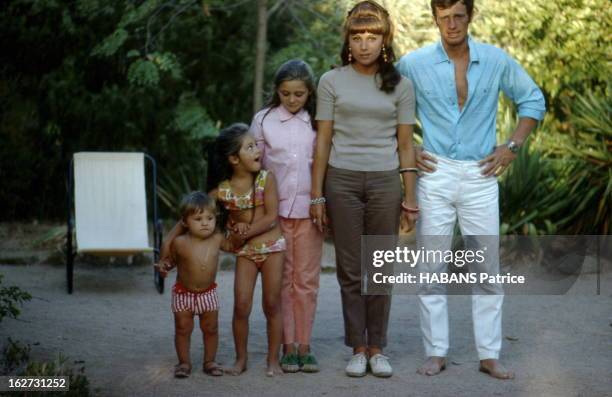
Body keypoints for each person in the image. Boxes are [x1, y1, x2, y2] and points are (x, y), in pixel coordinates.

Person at [397, 0, 546, 380]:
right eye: (444, 17)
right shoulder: (413, 64)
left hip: (481, 172)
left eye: (458, 16)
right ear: (435, 18)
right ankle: (435, 351)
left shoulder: (495, 61)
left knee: (487, 267)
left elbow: (533, 100)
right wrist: (407, 148)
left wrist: (511, 148)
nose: (451, 24)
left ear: (470, 16)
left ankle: (489, 354)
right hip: (435, 172)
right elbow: (385, 107)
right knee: (432, 265)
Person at [310, 0, 419, 378]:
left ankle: (378, 347)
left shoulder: (401, 86)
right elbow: (322, 142)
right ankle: (357, 347)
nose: (365, 44)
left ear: (384, 40)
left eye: (373, 36)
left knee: (380, 268)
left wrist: (410, 198)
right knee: (351, 270)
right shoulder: (331, 81)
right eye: (358, 36)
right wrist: (317, 195)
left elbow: (406, 145)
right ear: (349, 40)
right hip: (341, 181)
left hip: (385, 181)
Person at [249, 59, 324, 373]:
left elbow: (323, 166)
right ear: (277, 92)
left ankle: (304, 345)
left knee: (306, 281)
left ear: (309, 93)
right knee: (281, 281)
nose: (292, 100)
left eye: (299, 94)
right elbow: (255, 167)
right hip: (274, 215)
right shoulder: (263, 120)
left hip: (309, 213)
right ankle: (287, 345)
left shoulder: (319, 122)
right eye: (285, 94)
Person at [211, 123, 285, 377]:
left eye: (257, 145)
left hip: (273, 248)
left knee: (272, 304)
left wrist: (243, 234)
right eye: (250, 147)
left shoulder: (266, 179)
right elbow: (195, 212)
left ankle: (273, 360)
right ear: (233, 158)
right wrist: (225, 241)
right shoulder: (222, 190)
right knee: (241, 306)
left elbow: (271, 217)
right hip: (246, 254)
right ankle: (240, 360)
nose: (258, 150)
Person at [156, 192, 225, 378]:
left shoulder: (218, 239)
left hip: (208, 294)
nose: (205, 223)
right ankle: (184, 363)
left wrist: (240, 230)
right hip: (183, 294)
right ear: (185, 222)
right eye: (198, 218)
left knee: (211, 328)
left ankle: (210, 361)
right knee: (182, 329)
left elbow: (236, 244)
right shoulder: (179, 242)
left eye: (210, 218)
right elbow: (170, 262)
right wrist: (165, 268)